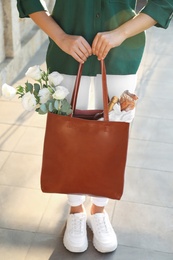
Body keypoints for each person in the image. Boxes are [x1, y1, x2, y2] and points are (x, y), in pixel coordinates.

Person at [17, 0, 173, 254]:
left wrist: (120, 33)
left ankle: (99, 211)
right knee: (68, 135)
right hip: (67, 54)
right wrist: (61, 37)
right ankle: (76, 210)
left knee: (112, 135)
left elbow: (164, 3)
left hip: (121, 54)